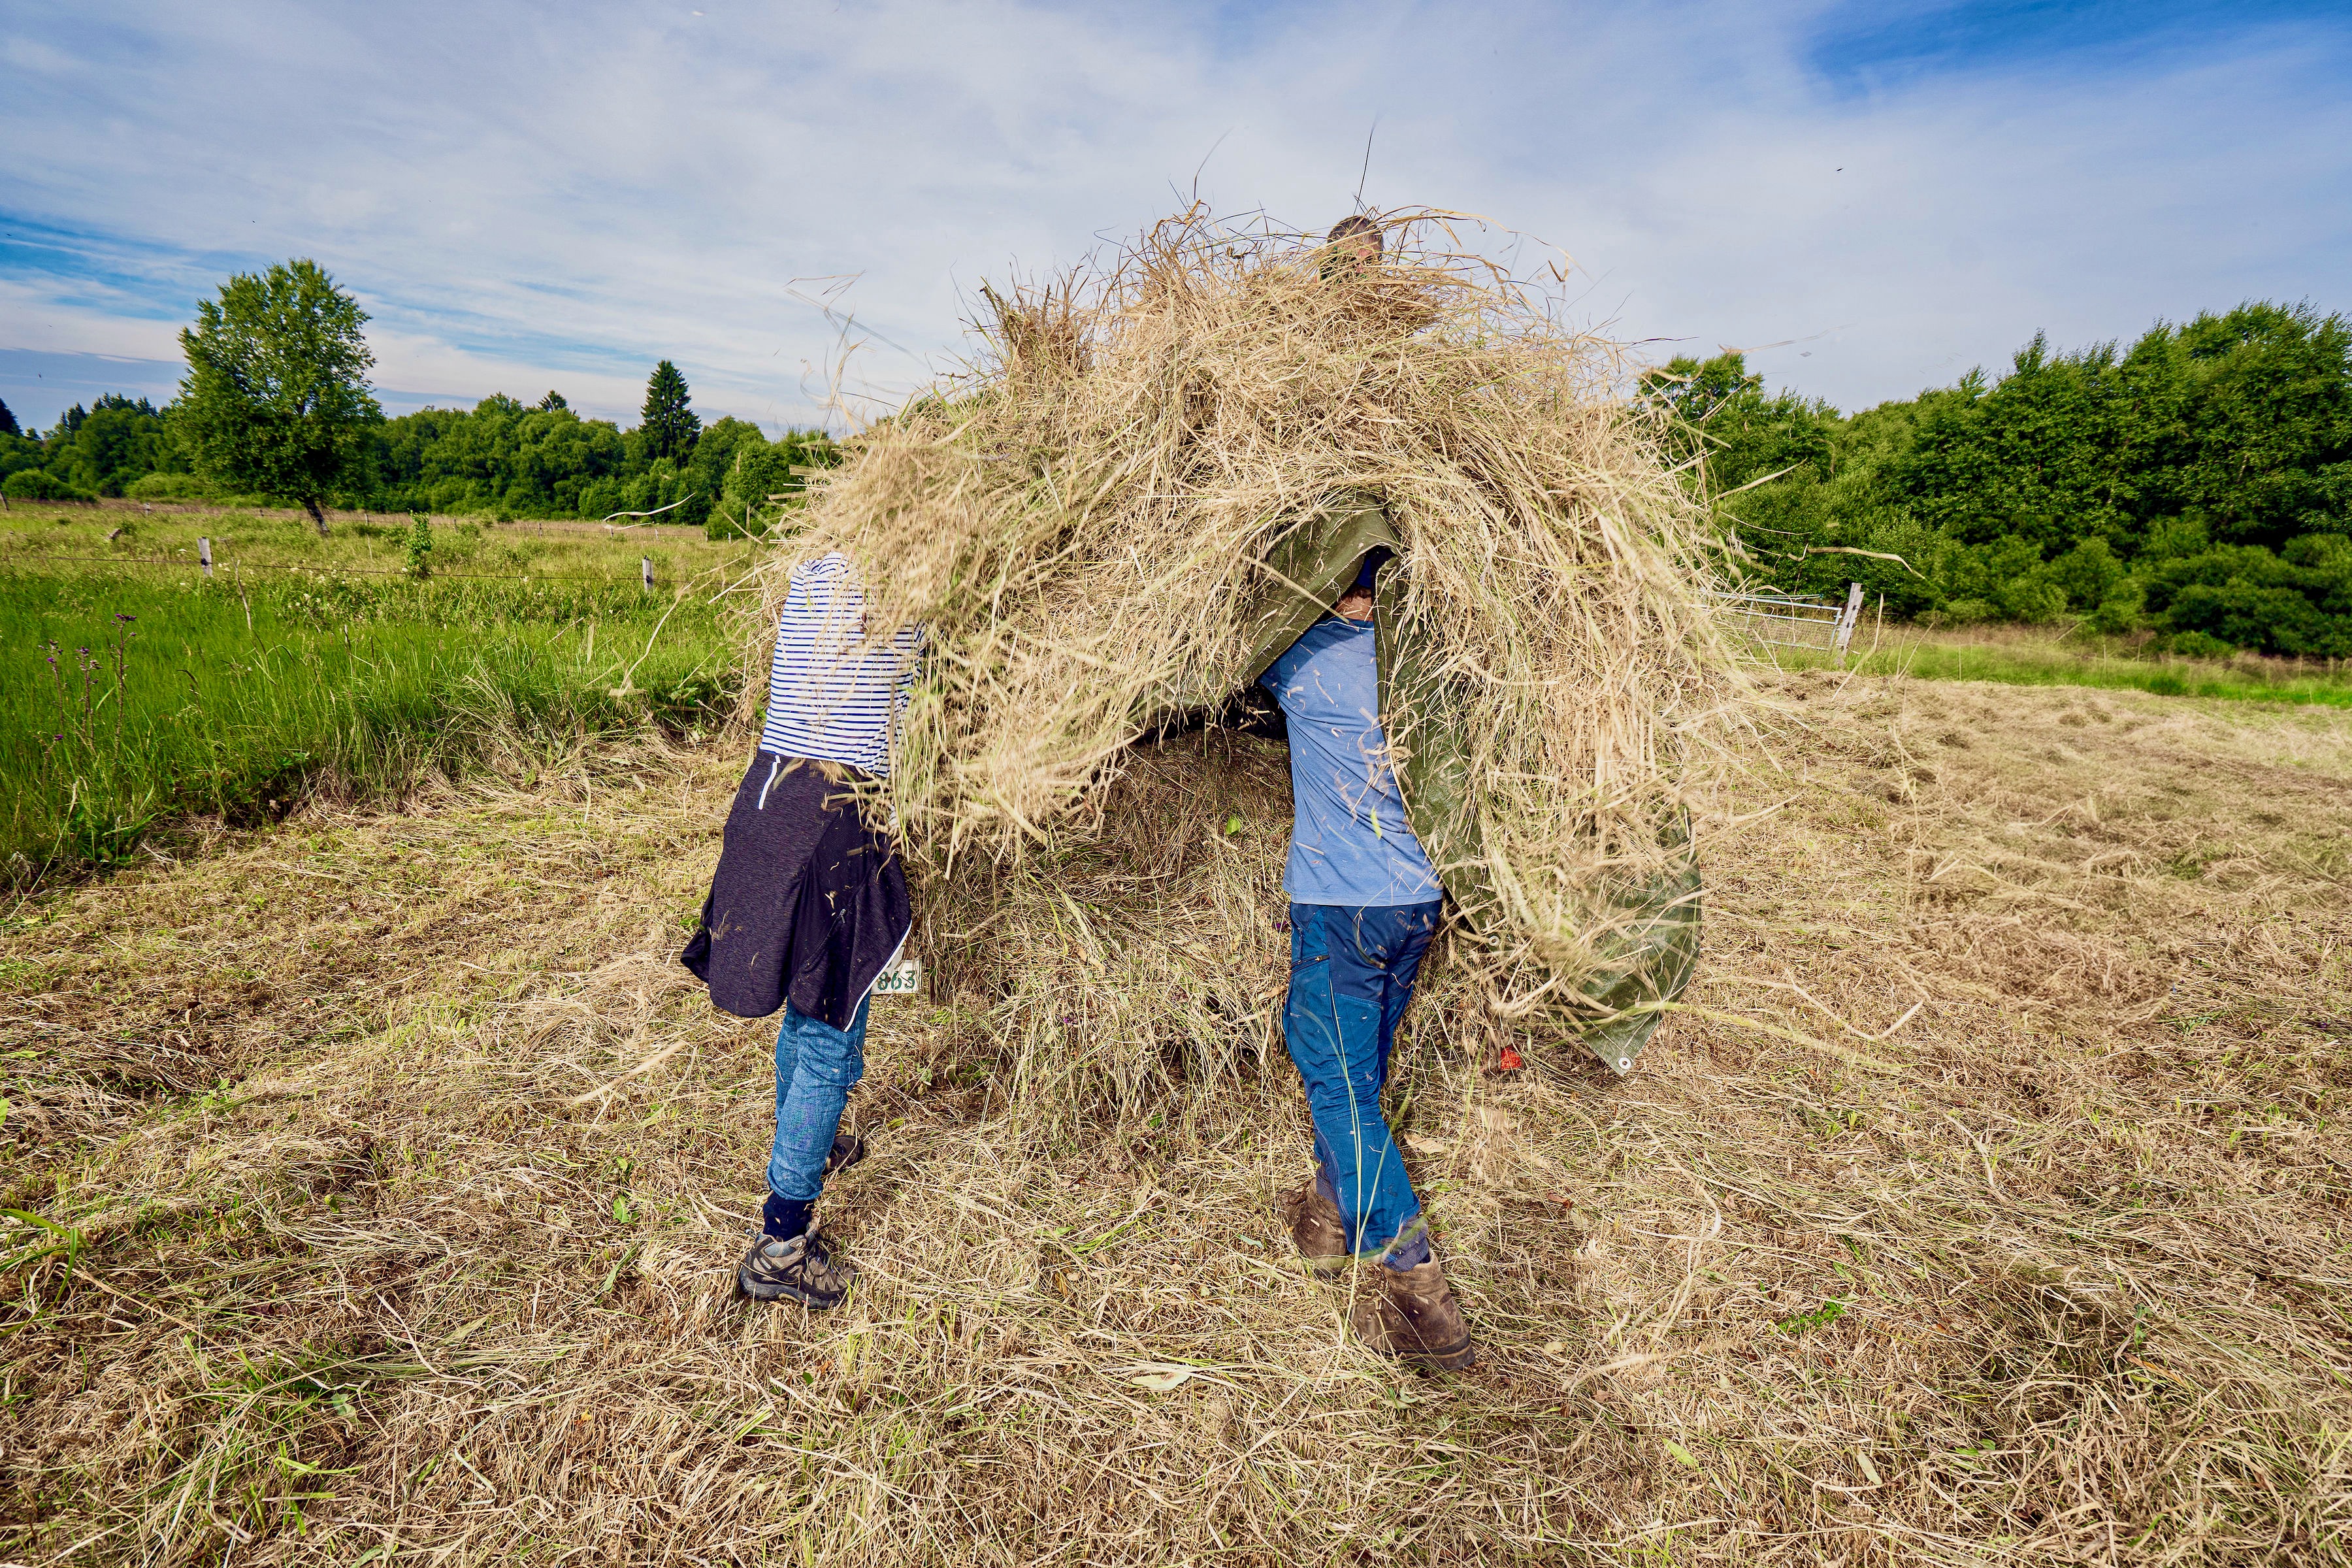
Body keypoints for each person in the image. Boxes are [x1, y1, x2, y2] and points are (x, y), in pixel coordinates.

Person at [1261, 546, 1477, 1373]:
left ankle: (1418, 1287)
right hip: (1418, 904)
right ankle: (1330, 1211)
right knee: (1362, 1067)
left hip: (1341, 906)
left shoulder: (1305, 653)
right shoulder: (1428, 668)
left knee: (1329, 1067)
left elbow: (1218, 667)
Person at [682, 551, 917, 1309]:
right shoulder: (916, 570)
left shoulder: (816, 568)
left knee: (806, 997)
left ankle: (812, 1144)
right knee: (831, 1022)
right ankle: (781, 1245)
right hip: (833, 814)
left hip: (767, 794)